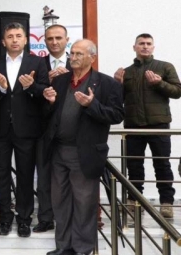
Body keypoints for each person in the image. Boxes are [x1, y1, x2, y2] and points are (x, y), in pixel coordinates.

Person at [43, 39, 124, 255]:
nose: (74, 57)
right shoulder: (60, 81)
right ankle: (63, 246)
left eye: (79, 53)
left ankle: (82, 248)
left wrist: (92, 105)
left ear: (92, 58)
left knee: (84, 202)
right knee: (60, 202)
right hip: (58, 150)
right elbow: (49, 116)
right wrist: (49, 103)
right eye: (72, 53)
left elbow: (116, 115)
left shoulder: (107, 84)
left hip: (84, 153)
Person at [0, 22, 49, 237]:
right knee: (2, 173)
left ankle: (24, 219)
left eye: (18, 36)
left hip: (28, 128)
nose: (14, 40)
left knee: (25, 175)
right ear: (3, 41)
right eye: (10, 36)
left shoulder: (38, 63)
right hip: (0, 127)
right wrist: (1, 88)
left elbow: (44, 91)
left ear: (26, 39)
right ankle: (4, 218)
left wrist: (30, 86)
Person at [114, 33, 181, 218]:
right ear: (134, 47)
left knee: (162, 164)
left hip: (158, 125)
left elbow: (177, 91)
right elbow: (118, 100)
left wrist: (160, 84)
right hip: (133, 125)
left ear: (153, 47)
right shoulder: (126, 72)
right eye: (141, 43)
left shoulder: (165, 67)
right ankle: (134, 201)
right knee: (134, 165)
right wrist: (117, 84)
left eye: (148, 44)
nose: (145, 46)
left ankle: (166, 202)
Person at [35, 24, 71, 233]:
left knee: (71, 177)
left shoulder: (76, 61)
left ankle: (67, 217)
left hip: (70, 129)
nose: (54, 42)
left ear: (67, 40)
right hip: (44, 128)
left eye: (58, 38)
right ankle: (45, 218)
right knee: (44, 176)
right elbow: (32, 96)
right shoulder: (38, 63)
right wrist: (45, 81)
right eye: (50, 39)